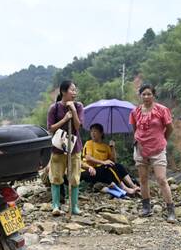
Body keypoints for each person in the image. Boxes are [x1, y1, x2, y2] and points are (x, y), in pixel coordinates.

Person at [129, 83, 176, 220]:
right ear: (140, 96)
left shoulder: (162, 110)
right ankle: (146, 207)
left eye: (149, 94)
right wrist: (138, 140)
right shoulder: (135, 111)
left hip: (158, 148)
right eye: (144, 94)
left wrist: (163, 140)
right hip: (141, 148)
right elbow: (134, 128)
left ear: (154, 95)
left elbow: (170, 128)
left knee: (161, 179)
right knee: (143, 179)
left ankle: (171, 210)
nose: (146, 96)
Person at [47, 80, 84, 216]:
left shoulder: (79, 106)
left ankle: (74, 206)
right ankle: (56, 205)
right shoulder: (54, 108)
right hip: (58, 148)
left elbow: (78, 126)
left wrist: (73, 110)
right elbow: (50, 128)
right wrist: (64, 119)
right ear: (63, 92)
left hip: (74, 147)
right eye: (72, 90)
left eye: (75, 90)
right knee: (56, 177)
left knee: (74, 177)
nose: (74, 93)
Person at [81, 123, 140, 195]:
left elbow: (113, 161)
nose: (93, 133)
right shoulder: (89, 143)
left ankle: (133, 185)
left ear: (101, 133)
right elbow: (88, 158)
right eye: (91, 131)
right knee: (108, 167)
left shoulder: (105, 146)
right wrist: (103, 162)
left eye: (95, 131)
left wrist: (113, 148)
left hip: (102, 170)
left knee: (118, 166)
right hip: (90, 170)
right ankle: (126, 189)